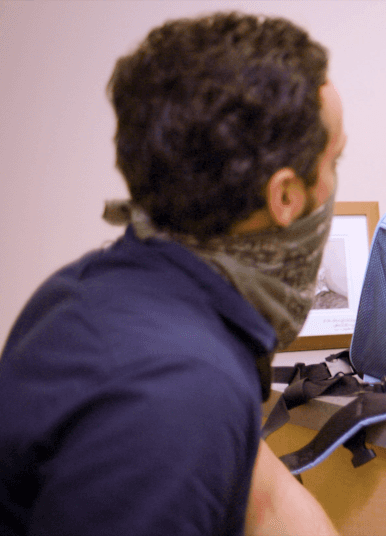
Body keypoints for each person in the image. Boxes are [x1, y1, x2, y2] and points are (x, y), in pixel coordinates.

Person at [0, 12, 343, 535]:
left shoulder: (93, 290)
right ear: (286, 197)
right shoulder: (177, 390)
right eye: (335, 160)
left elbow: (266, 500)